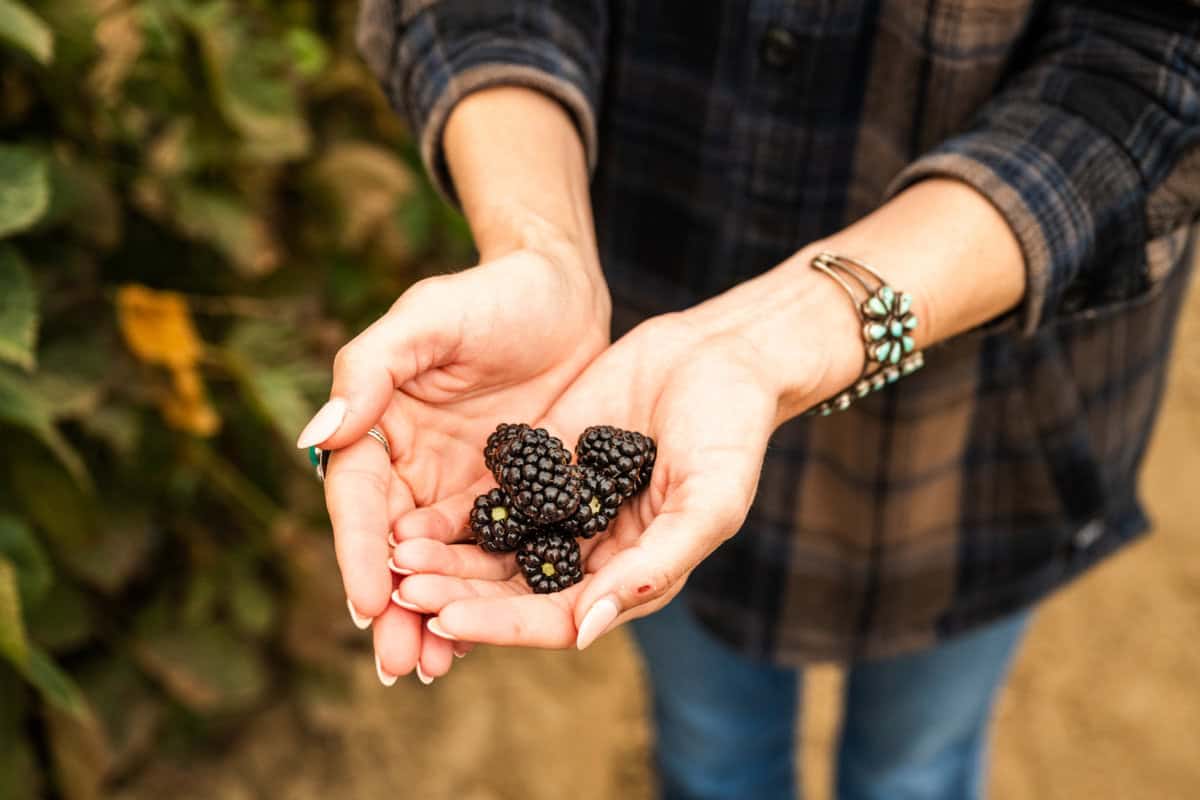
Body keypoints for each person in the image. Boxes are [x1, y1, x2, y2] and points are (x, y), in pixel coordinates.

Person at [296, 2, 1200, 798]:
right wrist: (542, 243)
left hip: (975, 440)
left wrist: (778, 339)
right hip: (626, 355)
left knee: (914, 768)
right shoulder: (596, 454)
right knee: (713, 752)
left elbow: (1155, 60)